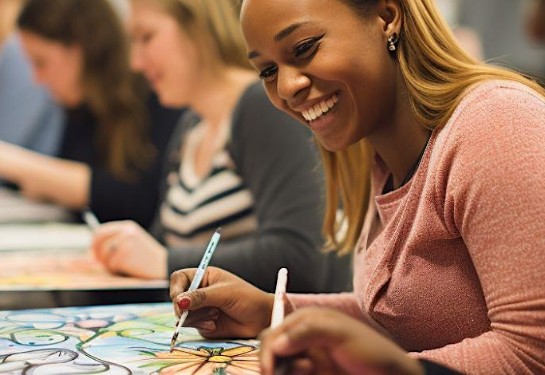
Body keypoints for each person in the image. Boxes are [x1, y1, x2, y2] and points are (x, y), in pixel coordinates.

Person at [168, 0, 545, 374]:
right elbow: (403, 317)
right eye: (267, 70)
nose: (286, 87)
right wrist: (274, 311)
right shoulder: (380, 156)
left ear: (387, 17)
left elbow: (533, 351)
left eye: (303, 48)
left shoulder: (496, 125)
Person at [91, 0, 351, 293]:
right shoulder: (192, 124)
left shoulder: (261, 107)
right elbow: (163, 241)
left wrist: (165, 261)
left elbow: (301, 255)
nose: (135, 62)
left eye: (146, 37)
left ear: (197, 26)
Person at [0, 0, 183, 228]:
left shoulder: (155, 94)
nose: (37, 79)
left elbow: (143, 200)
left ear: (78, 50)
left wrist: (17, 164)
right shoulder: (80, 107)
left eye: (41, 63)